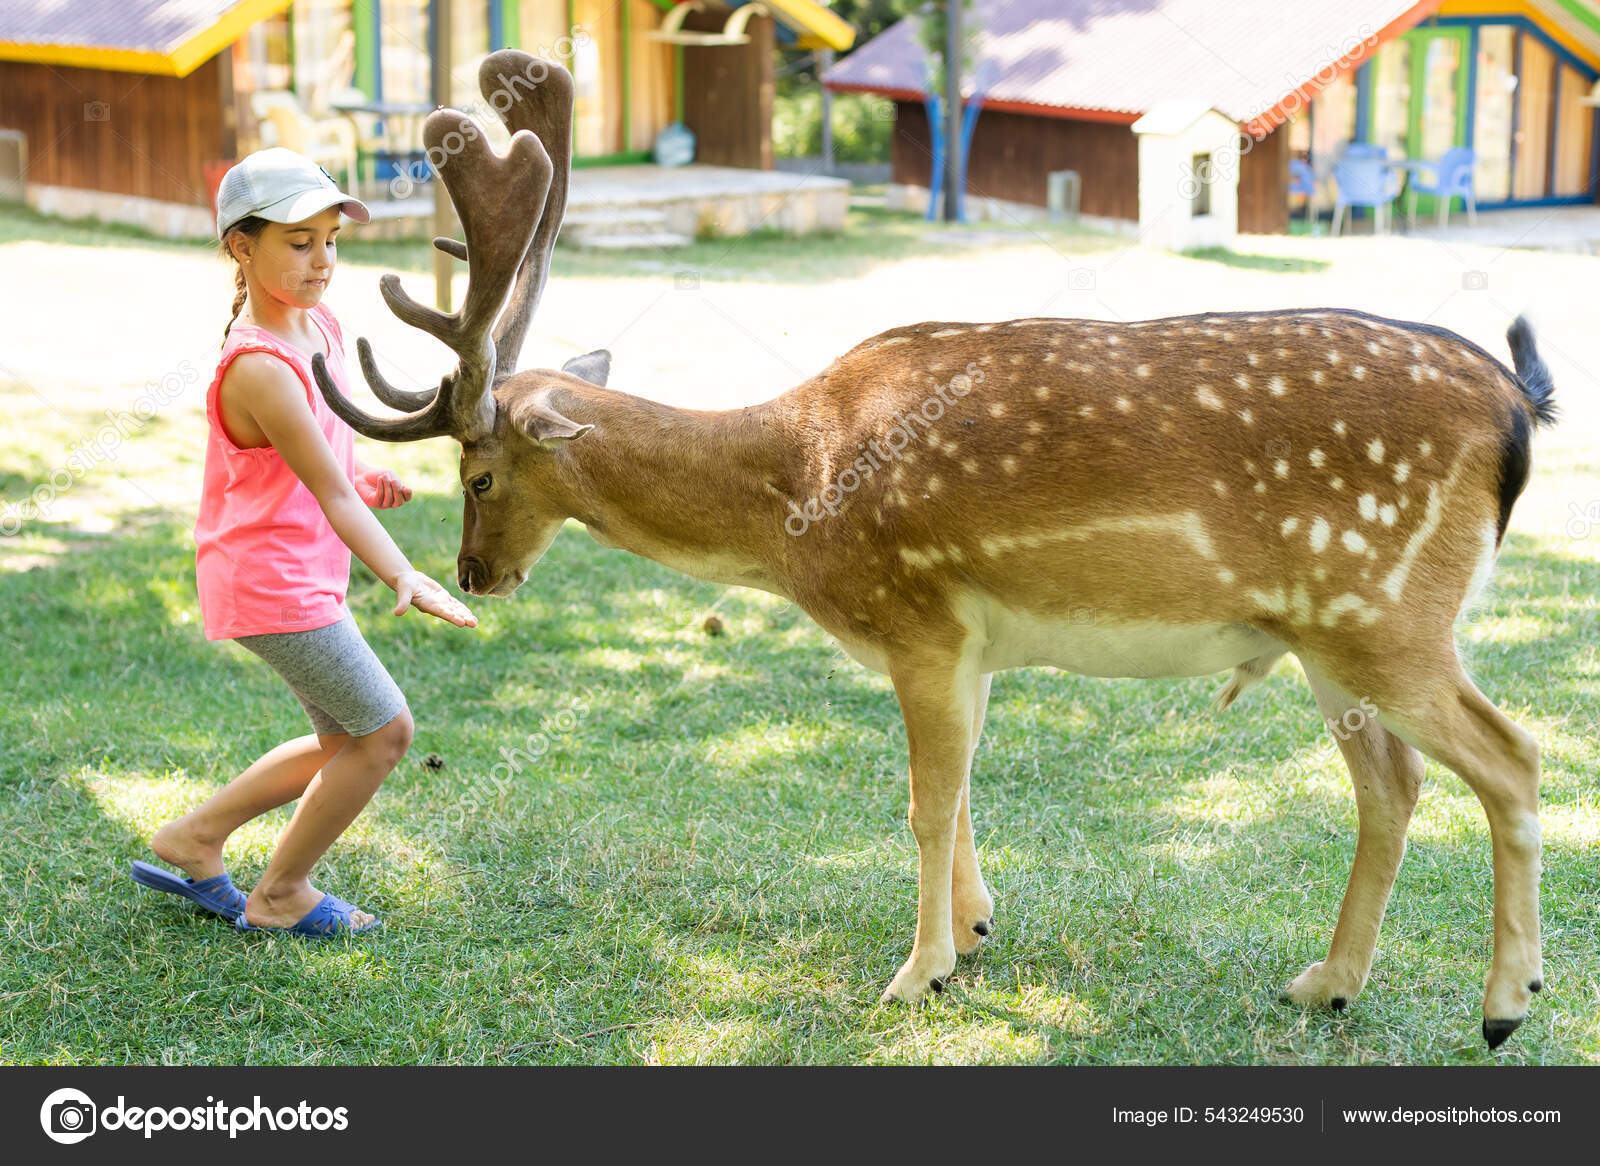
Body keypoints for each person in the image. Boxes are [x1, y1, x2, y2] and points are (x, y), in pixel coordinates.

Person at [128, 148, 476, 937]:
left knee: (341, 737)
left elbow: (326, 460)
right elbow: (327, 490)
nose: (322, 260)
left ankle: (196, 836)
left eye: (331, 240)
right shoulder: (258, 366)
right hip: (269, 583)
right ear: (240, 248)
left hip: (294, 571)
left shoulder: (317, 323)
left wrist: (366, 474)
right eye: (298, 241)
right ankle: (282, 893)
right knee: (386, 733)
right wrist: (403, 572)